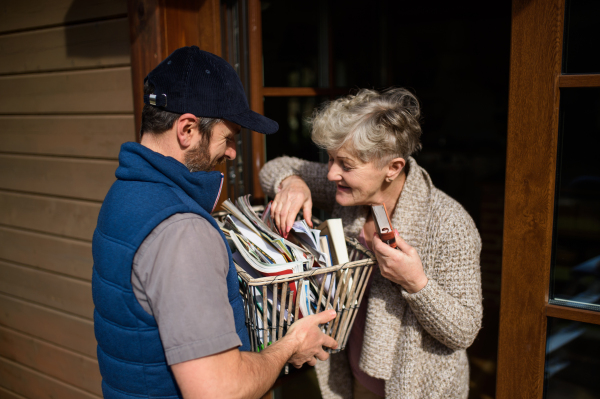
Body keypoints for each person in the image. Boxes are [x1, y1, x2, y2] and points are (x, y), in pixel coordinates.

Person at [92, 46, 337, 399]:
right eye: (229, 137)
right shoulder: (182, 231)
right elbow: (219, 391)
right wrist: (289, 346)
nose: (233, 152)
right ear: (188, 129)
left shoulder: (123, 194)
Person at [259, 88, 483, 398]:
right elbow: (273, 167)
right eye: (331, 159)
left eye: (346, 165)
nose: (331, 172)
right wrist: (293, 183)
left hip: (417, 390)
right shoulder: (350, 194)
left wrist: (417, 284)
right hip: (354, 379)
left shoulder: (450, 224)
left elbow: (464, 331)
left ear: (393, 168)